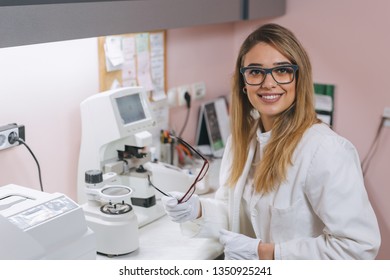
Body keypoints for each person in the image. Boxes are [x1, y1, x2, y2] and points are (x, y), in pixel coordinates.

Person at [161, 23, 381, 260]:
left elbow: (359, 247)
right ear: (243, 83)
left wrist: (268, 254)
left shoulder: (326, 151)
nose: (268, 83)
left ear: (299, 78)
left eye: (282, 70)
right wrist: (197, 210)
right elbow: (234, 214)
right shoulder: (241, 141)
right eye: (255, 72)